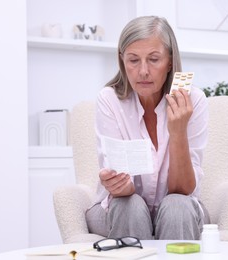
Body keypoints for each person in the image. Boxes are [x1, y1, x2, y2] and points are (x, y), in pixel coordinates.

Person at [86, 15, 210, 240]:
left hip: (178, 208)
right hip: (121, 207)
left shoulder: (194, 99)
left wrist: (178, 130)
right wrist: (118, 185)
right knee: (130, 206)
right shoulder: (109, 100)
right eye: (133, 60)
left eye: (154, 59)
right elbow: (123, 188)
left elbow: (183, 190)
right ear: (122, 60)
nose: (143, 71)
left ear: (170, 61)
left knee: (177, 206)